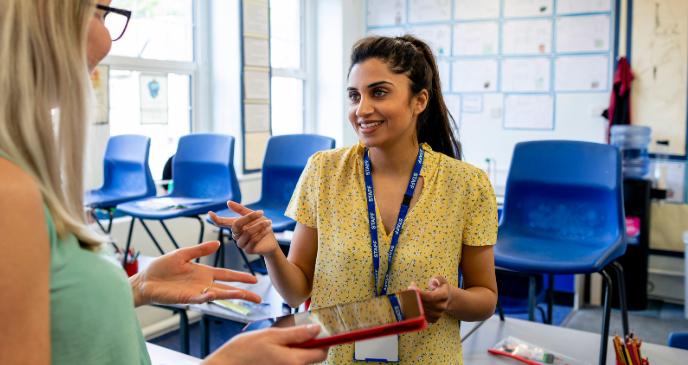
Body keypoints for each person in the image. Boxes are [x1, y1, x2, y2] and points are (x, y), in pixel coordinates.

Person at [0, 1, 328, 364]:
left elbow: (56, 318)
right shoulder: (10, 193)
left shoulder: (20, 177)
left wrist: (138, 288)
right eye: (101, 14)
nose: (109, 39)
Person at [210, 35, 499, 364]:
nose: (361, 110)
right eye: (353, 95)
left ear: (419, 101)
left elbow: (486, 298)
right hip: (337, 356)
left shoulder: (467, 184)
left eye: (378, 92)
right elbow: (297, 291)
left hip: (426, 356)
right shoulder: (324, 171)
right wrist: (271, 251)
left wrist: (450, 299)